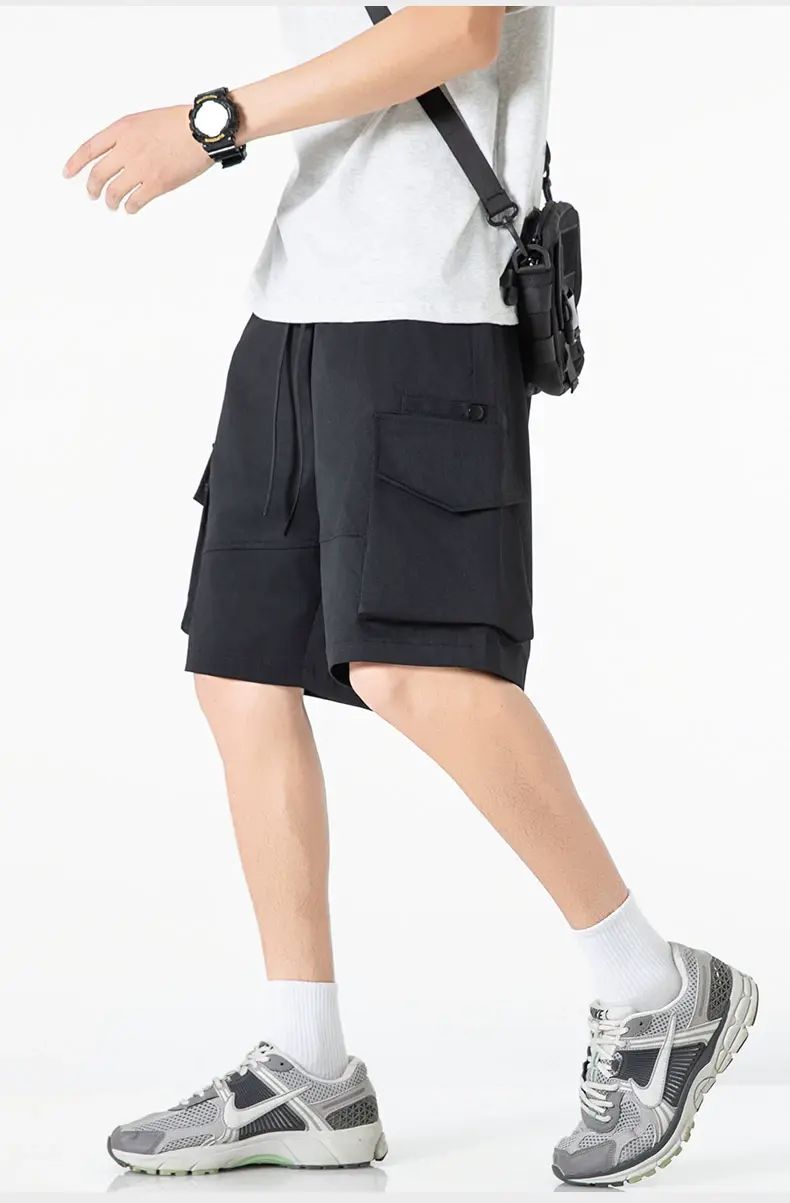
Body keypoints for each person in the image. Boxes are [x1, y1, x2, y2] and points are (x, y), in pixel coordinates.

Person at [64, 5, 757, 1187]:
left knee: (414, 666)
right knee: (239, 672)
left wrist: (212, 124)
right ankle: (308, 1068)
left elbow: (458, 29)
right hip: (296, 305)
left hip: (428, 313)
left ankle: (654, 989)